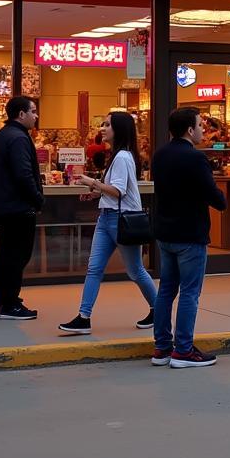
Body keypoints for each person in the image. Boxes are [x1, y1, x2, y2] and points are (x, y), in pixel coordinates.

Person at [58, 112, 157, 335]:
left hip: (120, 220)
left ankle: (158, 309)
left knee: (135, 271)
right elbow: (115, 191)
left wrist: (91, 182)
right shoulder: (118, 156)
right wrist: (96, 194)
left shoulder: (121, 157)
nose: (103, 128)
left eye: (108, 125)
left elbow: (119, 190)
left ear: (119, 129)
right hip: (108, 217)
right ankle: (84, 317)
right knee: (94, 269)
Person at [151, 106, 227, 369]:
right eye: (199, 125)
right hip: (190, 232)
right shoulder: (195, 158)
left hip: (165, 231)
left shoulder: (159, 155)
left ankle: (162, 347)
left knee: (166, 290)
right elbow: (210, 191)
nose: (203, 130)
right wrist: (221, 201)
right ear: (189, 129)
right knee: (189, 293)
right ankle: (183, 350)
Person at [0, 96, 43, 320]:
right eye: (33, 111)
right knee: (16, 256)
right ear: (21, 114)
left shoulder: (3, 135)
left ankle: (4, 300)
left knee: (8, 254)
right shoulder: (18, 138)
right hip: (18, 207)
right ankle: (9, 303)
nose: (36, 116)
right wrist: (37, 199)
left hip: (6, 206)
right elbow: (23, 174)